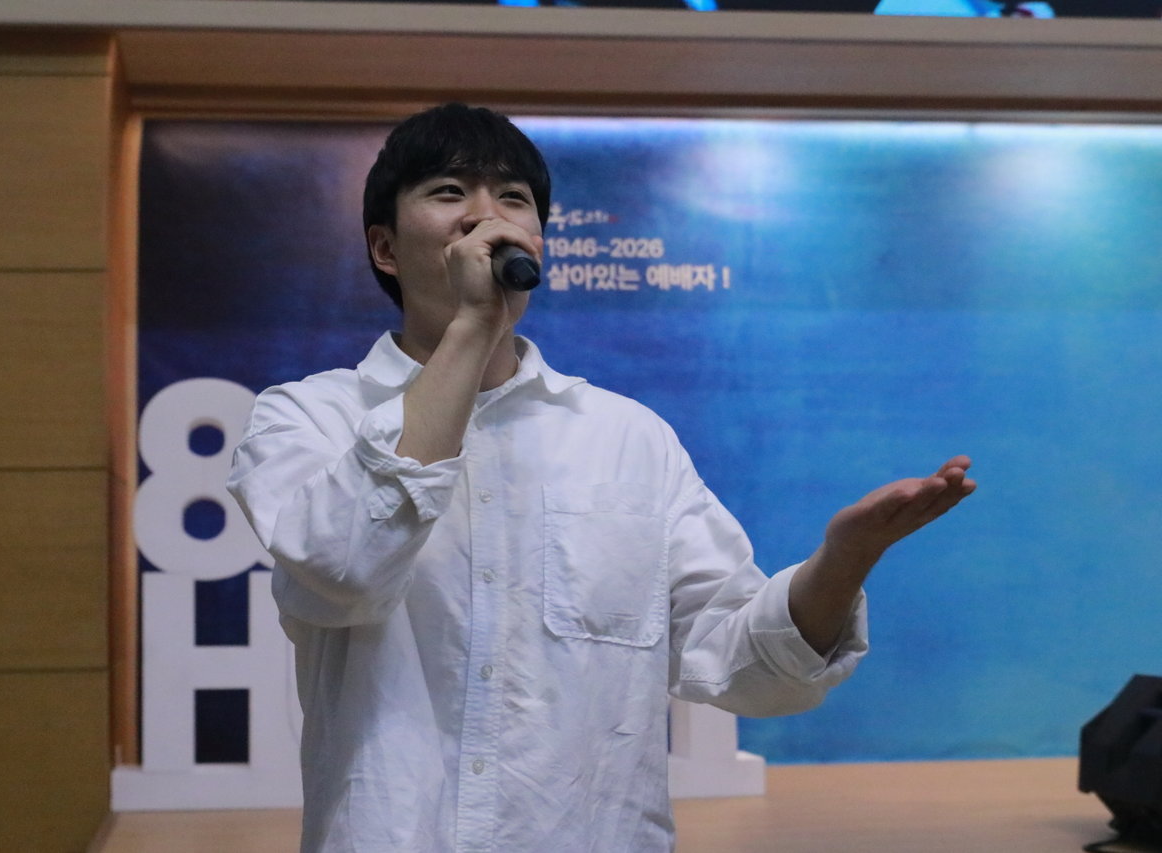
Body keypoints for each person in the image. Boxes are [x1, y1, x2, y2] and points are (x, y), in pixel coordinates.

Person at [226, 103, 976, 853]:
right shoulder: (308, 417)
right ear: (385, 248)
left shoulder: (628, 438)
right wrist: (473, 327)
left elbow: (743, 663)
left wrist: (843, 561)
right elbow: (345, 569)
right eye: (450, 192)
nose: (486, 216)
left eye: (513, 197)